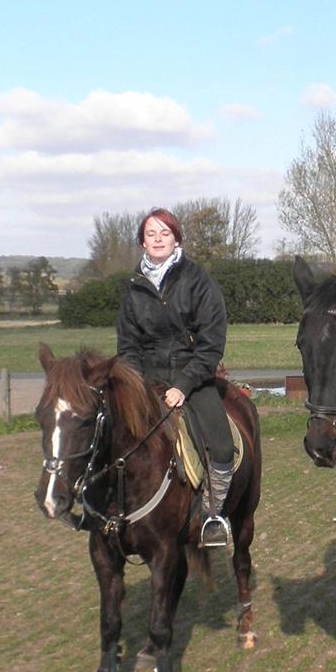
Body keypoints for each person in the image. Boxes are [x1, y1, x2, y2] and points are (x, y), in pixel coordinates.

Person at [116, 208, 236, 546]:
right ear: (142, 241)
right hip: (145, 379)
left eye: (164, 233)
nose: (157, 239)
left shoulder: (198, 280)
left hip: (192, 375)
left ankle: (212, 515)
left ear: (176, 239)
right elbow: (127, 347)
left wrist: (183, 385)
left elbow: (212, 343)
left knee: (223, 446)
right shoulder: (133, 288)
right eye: (151, 234)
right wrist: (136, 386)